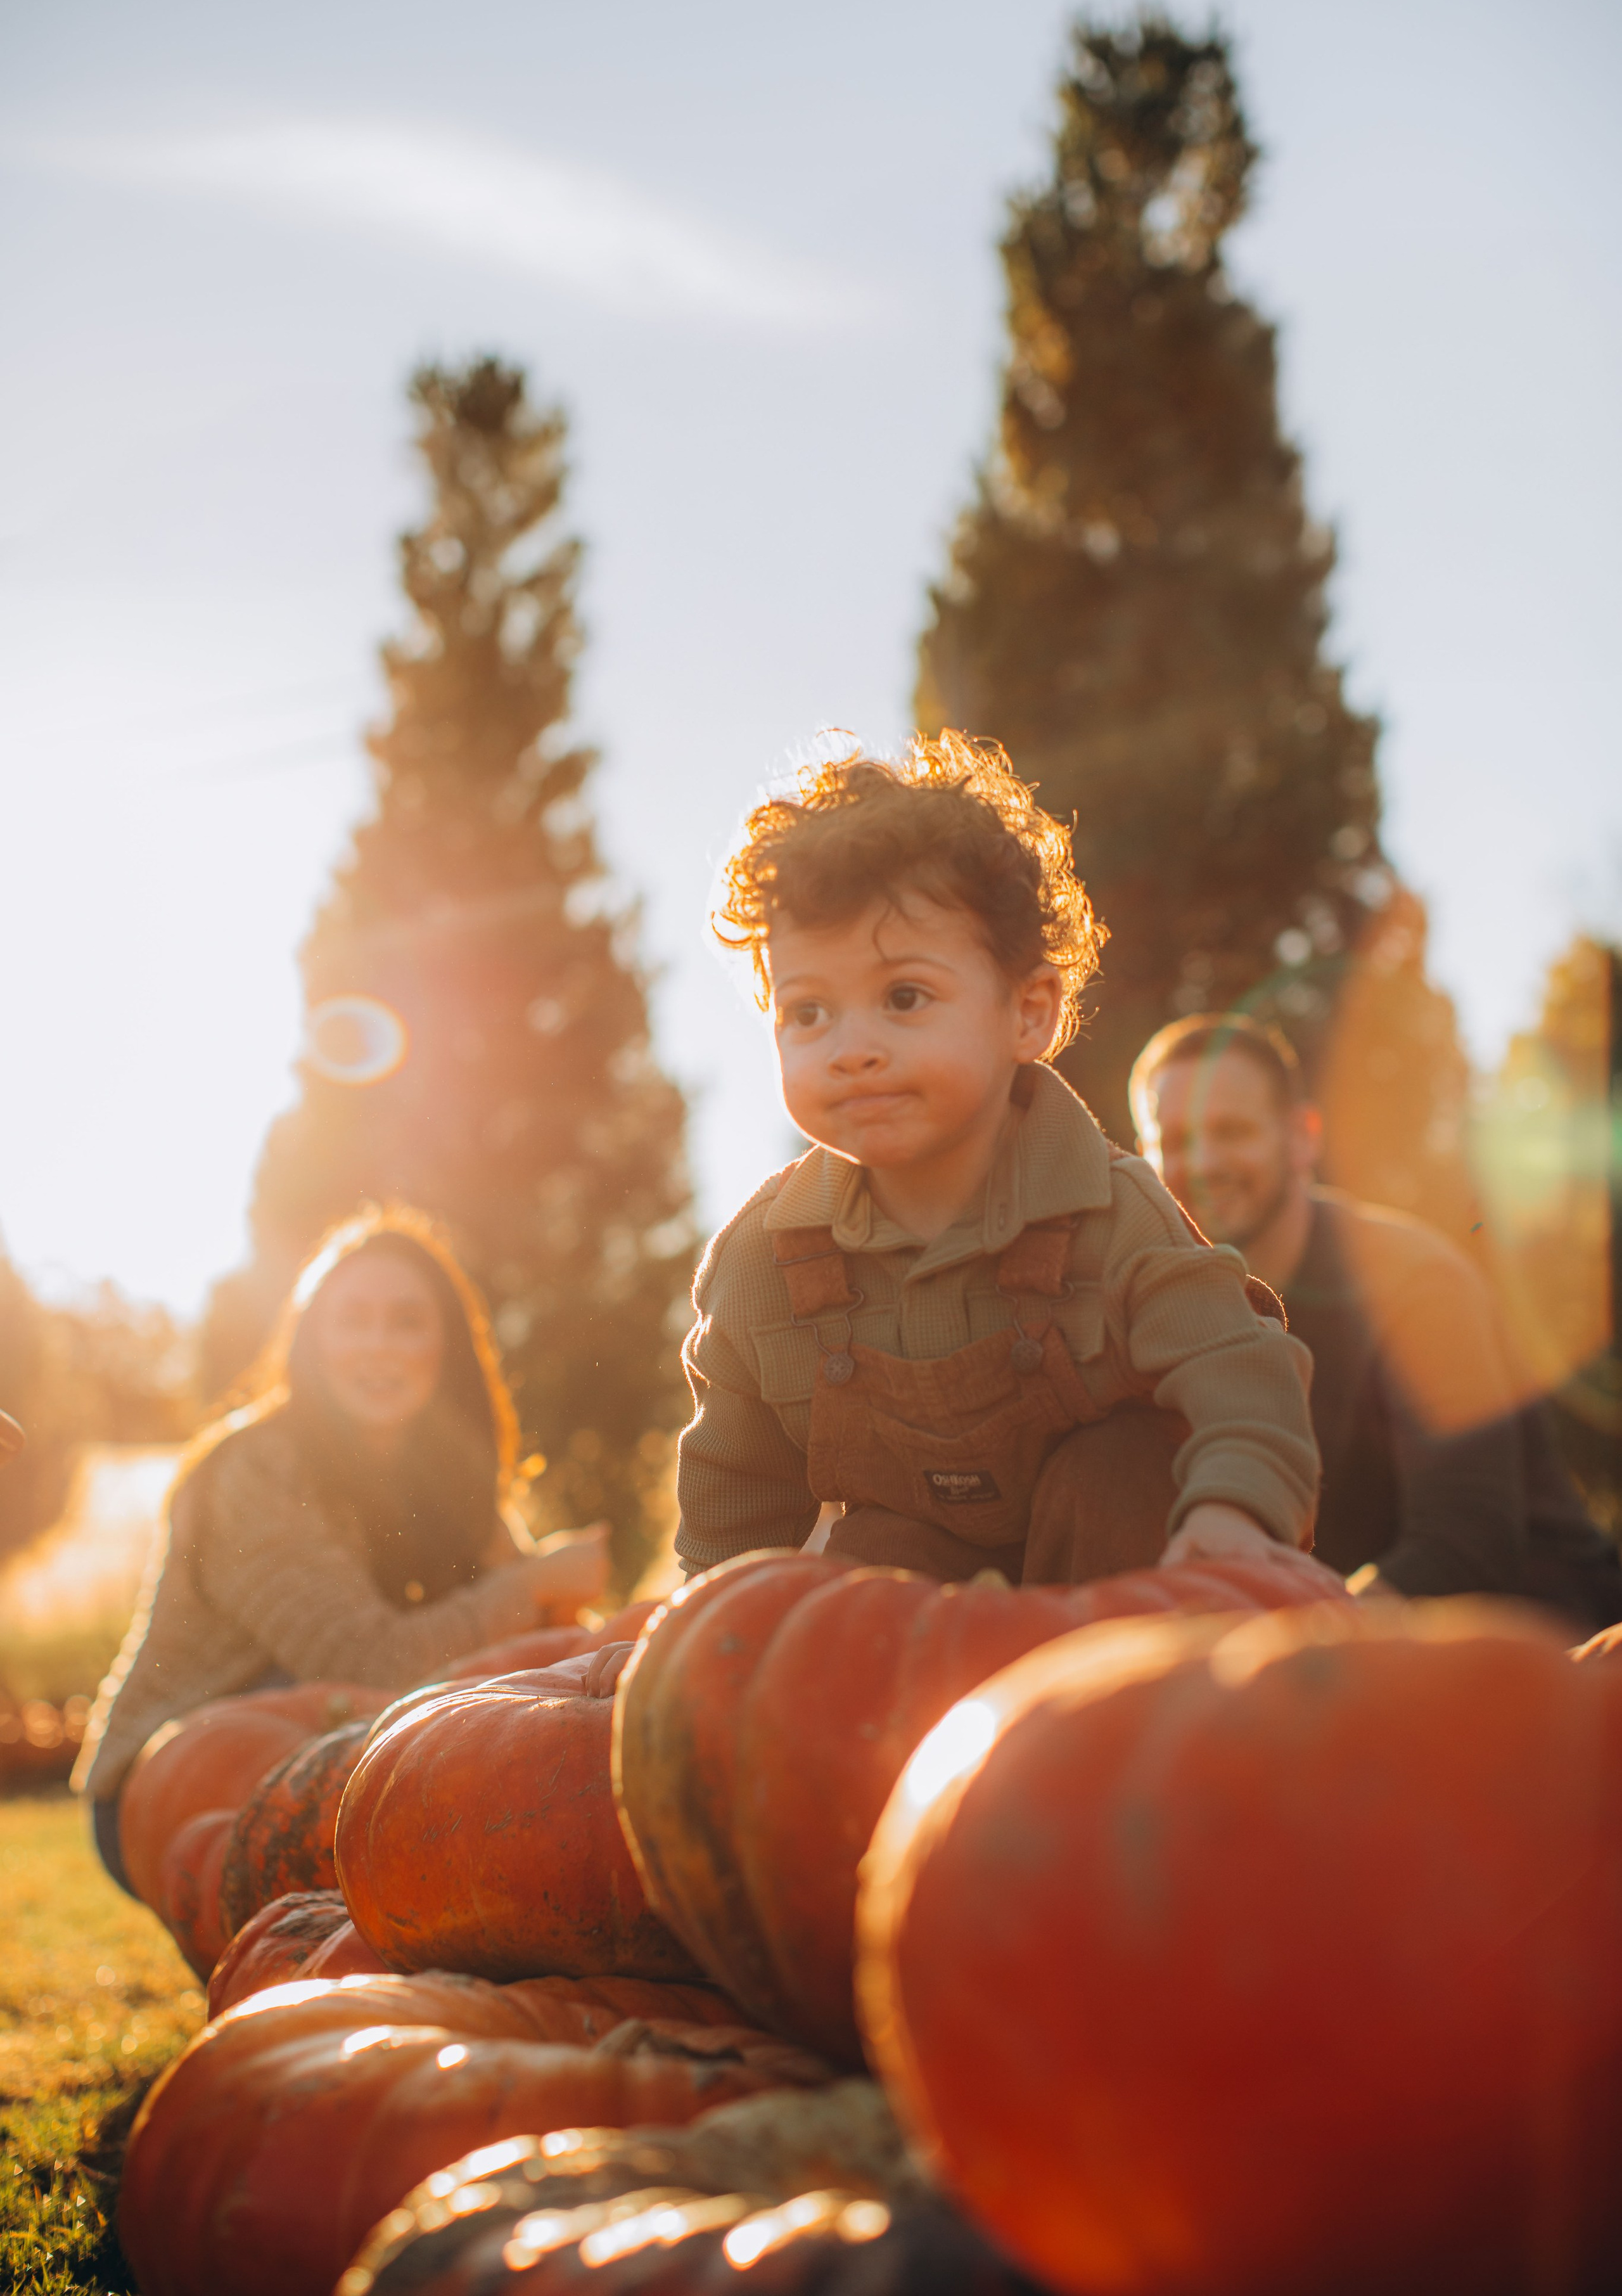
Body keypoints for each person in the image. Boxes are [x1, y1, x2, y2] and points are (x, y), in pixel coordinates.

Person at [673, 731, 1324, 1589]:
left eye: (903, 998)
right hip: (923, 1620)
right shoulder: (764, 1261)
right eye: (808, 1013)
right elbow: (737, 1491)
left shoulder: (1110, 1214)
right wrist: (705, 1628)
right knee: (873, 1553)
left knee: (1119, 1478)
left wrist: (1229, 1514)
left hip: (1117, 1609)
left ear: (1029, 1012)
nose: (851, 1048)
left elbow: (1240, 1369)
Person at [74, 1207, 608, 1888]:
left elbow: (517, 1643)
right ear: (311, 1341)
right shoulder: (257, 1469)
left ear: (445, 1348)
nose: (378, 1344)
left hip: (336, 1765)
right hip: (171, 1784)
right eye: (352, 1320)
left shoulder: (446, 1478)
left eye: (407, 1322)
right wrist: (534, 1585)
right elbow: (366, 1661)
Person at [1130, 1013, 1622, 1624]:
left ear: (1303, 1136)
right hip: (1341, 1646)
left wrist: (1290, 1653)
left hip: (1541, 1632)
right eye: (1173, 1143)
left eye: (1232, 1131)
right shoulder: (1166, 1316)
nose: (1201, 1164)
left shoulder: (1414, 1283)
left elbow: (1468, 1541)